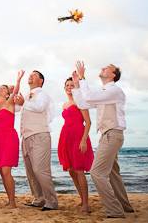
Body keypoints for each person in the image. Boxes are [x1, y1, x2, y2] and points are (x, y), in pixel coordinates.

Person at [71, 61, 134, 218]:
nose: (102, 69)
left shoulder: (115, 91)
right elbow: (82, 103)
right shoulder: (104, 92)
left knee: (97, 173)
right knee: (112, 173)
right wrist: (78, 86)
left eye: (106, 68)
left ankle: (115, 211)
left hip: (113, 134)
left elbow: (90, 97)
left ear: (113, 75)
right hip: (107, 134)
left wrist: (82, 77)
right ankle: (125, 207)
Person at [14, 70, 58, 211]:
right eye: (30, 74)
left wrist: (24, 102)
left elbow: (39, 107)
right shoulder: (27, 95)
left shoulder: (42, 94)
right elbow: (16, 108)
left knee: (40, 170)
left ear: (41, 81)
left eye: (34, 75)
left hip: (40, 135)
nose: (31, 76)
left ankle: (51, 201)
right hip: (26, 136)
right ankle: (39, 198)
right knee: (31, 171)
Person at [0, 70, 24, 208]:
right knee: (1, 173)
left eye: (3, 88)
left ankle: (13, 202)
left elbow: (16, 91)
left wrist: (18, 80)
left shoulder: (9, 103)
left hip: (9, 139)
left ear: (8, 94)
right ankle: (10, 200)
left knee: (6, 171)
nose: (0, 89)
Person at [57, 77, 94, 213]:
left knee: (79, 170)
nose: (69, 87)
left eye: (72, 85)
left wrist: (83, 140)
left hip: (78, 137)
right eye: (67, 85)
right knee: (72, 171)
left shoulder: (80, 101)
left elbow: (88, 122)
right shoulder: (65, 104)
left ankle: (86, 204)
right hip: (66, 137)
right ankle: (82, 199)